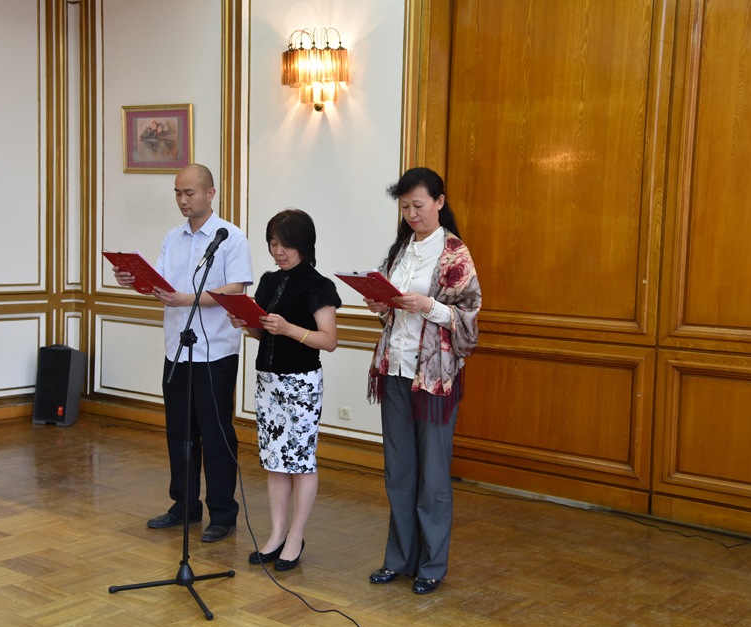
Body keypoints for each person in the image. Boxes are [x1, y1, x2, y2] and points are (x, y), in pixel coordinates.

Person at [113, 163, 253, 543]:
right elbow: (160, 286)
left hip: (215, 353)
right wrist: (132, 281)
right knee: (180, 433)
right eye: (177, 193)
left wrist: (184, 298)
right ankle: (185, 505)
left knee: (216, 433)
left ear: (210, 193)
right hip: (177, 349)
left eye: (189, 193)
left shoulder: (231, 237)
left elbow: (236, 290)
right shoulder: (172, 238)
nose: (182, 200)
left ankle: (222, 513)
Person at [363, 167, 481, 594]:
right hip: (394, 370)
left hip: (432, 379)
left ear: (439, 202)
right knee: (399, 471)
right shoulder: (401, 250)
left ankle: (431, 565)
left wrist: (428, 304)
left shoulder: (454, 254)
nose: (412, 214)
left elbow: (468, 321)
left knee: (432, 475)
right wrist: (381, 303)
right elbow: (393, 309)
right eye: (405, 207)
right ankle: (398, 559)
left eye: (419, 205)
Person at [227, 209, 341, 571]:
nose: (278, 251)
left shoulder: (319, 285)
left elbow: (329, 340)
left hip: (301, 383)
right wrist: (245, 322)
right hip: (269, 380)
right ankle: (276, 534)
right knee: (275, 461)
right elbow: (263, 332)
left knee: (300, 461)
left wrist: (289, 328)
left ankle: (296, 535)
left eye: (286, 245)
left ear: (304, 245)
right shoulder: (268, 281)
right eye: (273, 244)